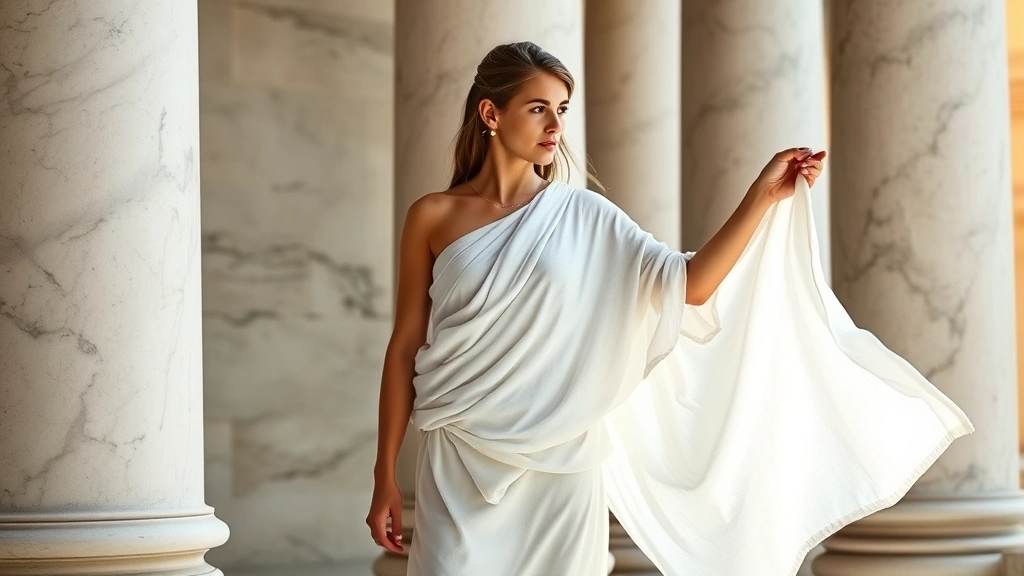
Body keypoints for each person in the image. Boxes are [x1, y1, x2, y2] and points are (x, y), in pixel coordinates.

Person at [366, 41, 973, 576]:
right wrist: (384, 474)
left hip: (559, 466)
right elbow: (404, 349)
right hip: (455, 459)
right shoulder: (433, 215)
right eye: (538, 107)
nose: (555, 125)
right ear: (490, 113)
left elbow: (690, 285)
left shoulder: (583, 215)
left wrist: (761, 195)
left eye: (562, 110)